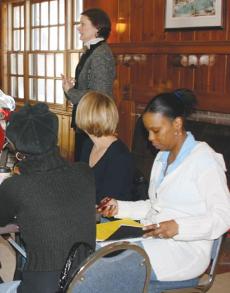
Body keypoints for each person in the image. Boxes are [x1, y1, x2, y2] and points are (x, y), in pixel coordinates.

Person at [98, 89, 230, 288]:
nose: (150, 138)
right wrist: (120, 207)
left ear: (177, 124)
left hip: (186, 251)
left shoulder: (205, 160)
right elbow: (156, 205)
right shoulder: (162, 157)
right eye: (148, 131)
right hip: (151, 237)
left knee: (110, 269)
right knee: (97, 253)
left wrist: (179, 227)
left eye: (156, 130)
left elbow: (223, 216)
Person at [0, 102, 96, 293]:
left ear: (18, 151)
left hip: (43, 287)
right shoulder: (84, 172)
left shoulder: (15, 186)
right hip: (88, 279)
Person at [62, 8, 116, 161]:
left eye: (83, 24)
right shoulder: (92, 51)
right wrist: (70, 88)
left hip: (95, 124)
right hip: (86, 122)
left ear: (97, 29)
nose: (78, 28)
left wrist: (71, 91)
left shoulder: (101, 54)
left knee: (87, 170)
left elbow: (100, 95)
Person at [76, 91, 134, 205]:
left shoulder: (120, 156)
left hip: (110, 217)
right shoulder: (88, 144)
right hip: (89, 210)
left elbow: (107, 203)